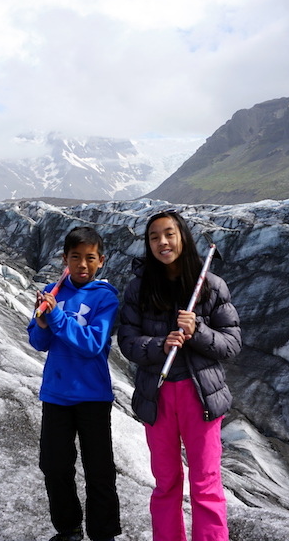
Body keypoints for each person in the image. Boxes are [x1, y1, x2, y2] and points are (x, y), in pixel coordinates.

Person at [117, 210, 241, 541]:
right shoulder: (139, 289)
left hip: (199, 396)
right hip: (156, 396)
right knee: (167, 482)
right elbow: (127, 342)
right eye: (154, 237)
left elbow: (231, 344)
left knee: (205, 481)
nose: (162, 242)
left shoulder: (211, 286)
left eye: (169, 234)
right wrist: (161, 344)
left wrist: (197, 329)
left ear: (182, 236)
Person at [28, 226, 122, 541]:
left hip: (92, 396)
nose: (83, 264)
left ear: (101, 261)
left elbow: (93, 343)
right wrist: (42, 322)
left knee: (100, 471)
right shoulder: (52, 292)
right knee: (54, 467)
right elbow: (38, 341)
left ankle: (103, 533)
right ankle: (68, 529)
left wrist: (54, 319)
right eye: (76, 257)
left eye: (90, 258)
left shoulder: (105, 298)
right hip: (56, 394)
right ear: (65, 259)